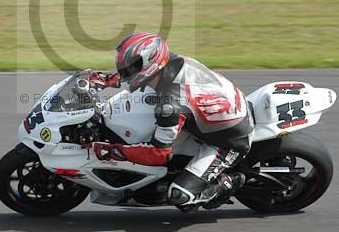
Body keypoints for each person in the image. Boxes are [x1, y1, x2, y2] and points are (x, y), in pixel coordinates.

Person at [88, 32, 254, 210]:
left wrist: (111, 151)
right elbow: (134, 74)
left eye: (132, 67)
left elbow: (158, 155)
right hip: (217, 114)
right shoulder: (169, 61)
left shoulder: (170, 105)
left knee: (180, 196)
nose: (126, 71)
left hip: (229, 141)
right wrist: (105, 80)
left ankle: (229, 182)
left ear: (151, 63)